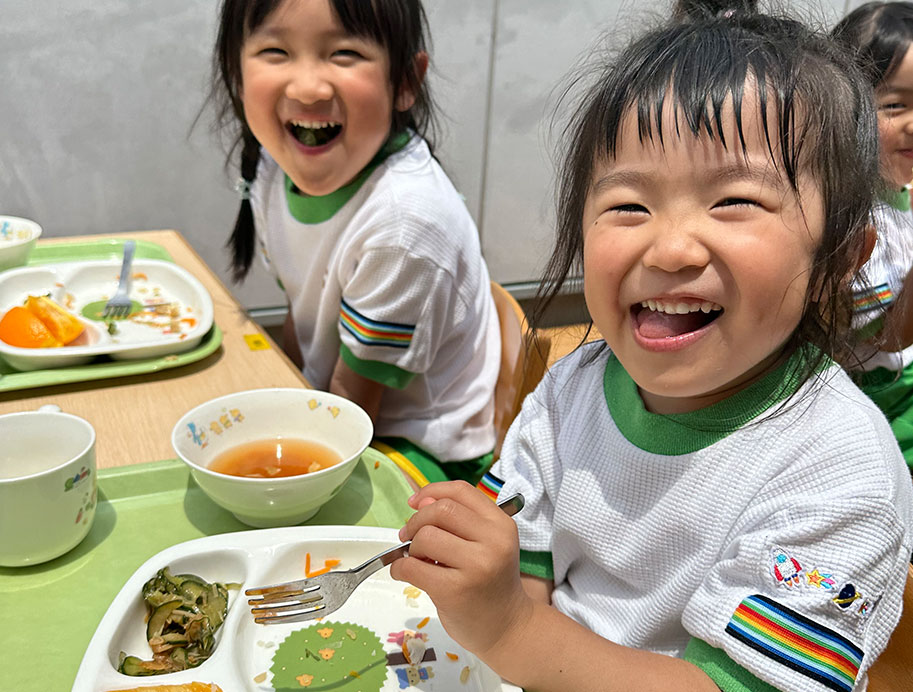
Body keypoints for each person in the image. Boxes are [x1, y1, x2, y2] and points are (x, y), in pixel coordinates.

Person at [390, 4, 913, 691]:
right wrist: (479, 569)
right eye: (628, 206)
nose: (667, 247)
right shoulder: (574, 383)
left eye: (734, 202)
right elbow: (524, 554)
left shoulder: (839, 476)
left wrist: (510, 629)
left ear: (839, 258)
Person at [208, 0, 500, 485]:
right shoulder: (272, 169)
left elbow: (354, 402)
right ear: (236, 71)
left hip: (420, 453)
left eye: (343, 53)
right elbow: (301, 323)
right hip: (338, 408)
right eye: (276, 51)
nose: (308, 86)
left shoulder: (404, 225)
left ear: (406, 80)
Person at [833, 2, 913, 472]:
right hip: (879, 403)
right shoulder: (852, 222)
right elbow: (884, 337)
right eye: (895, 105)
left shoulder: (902, 193)